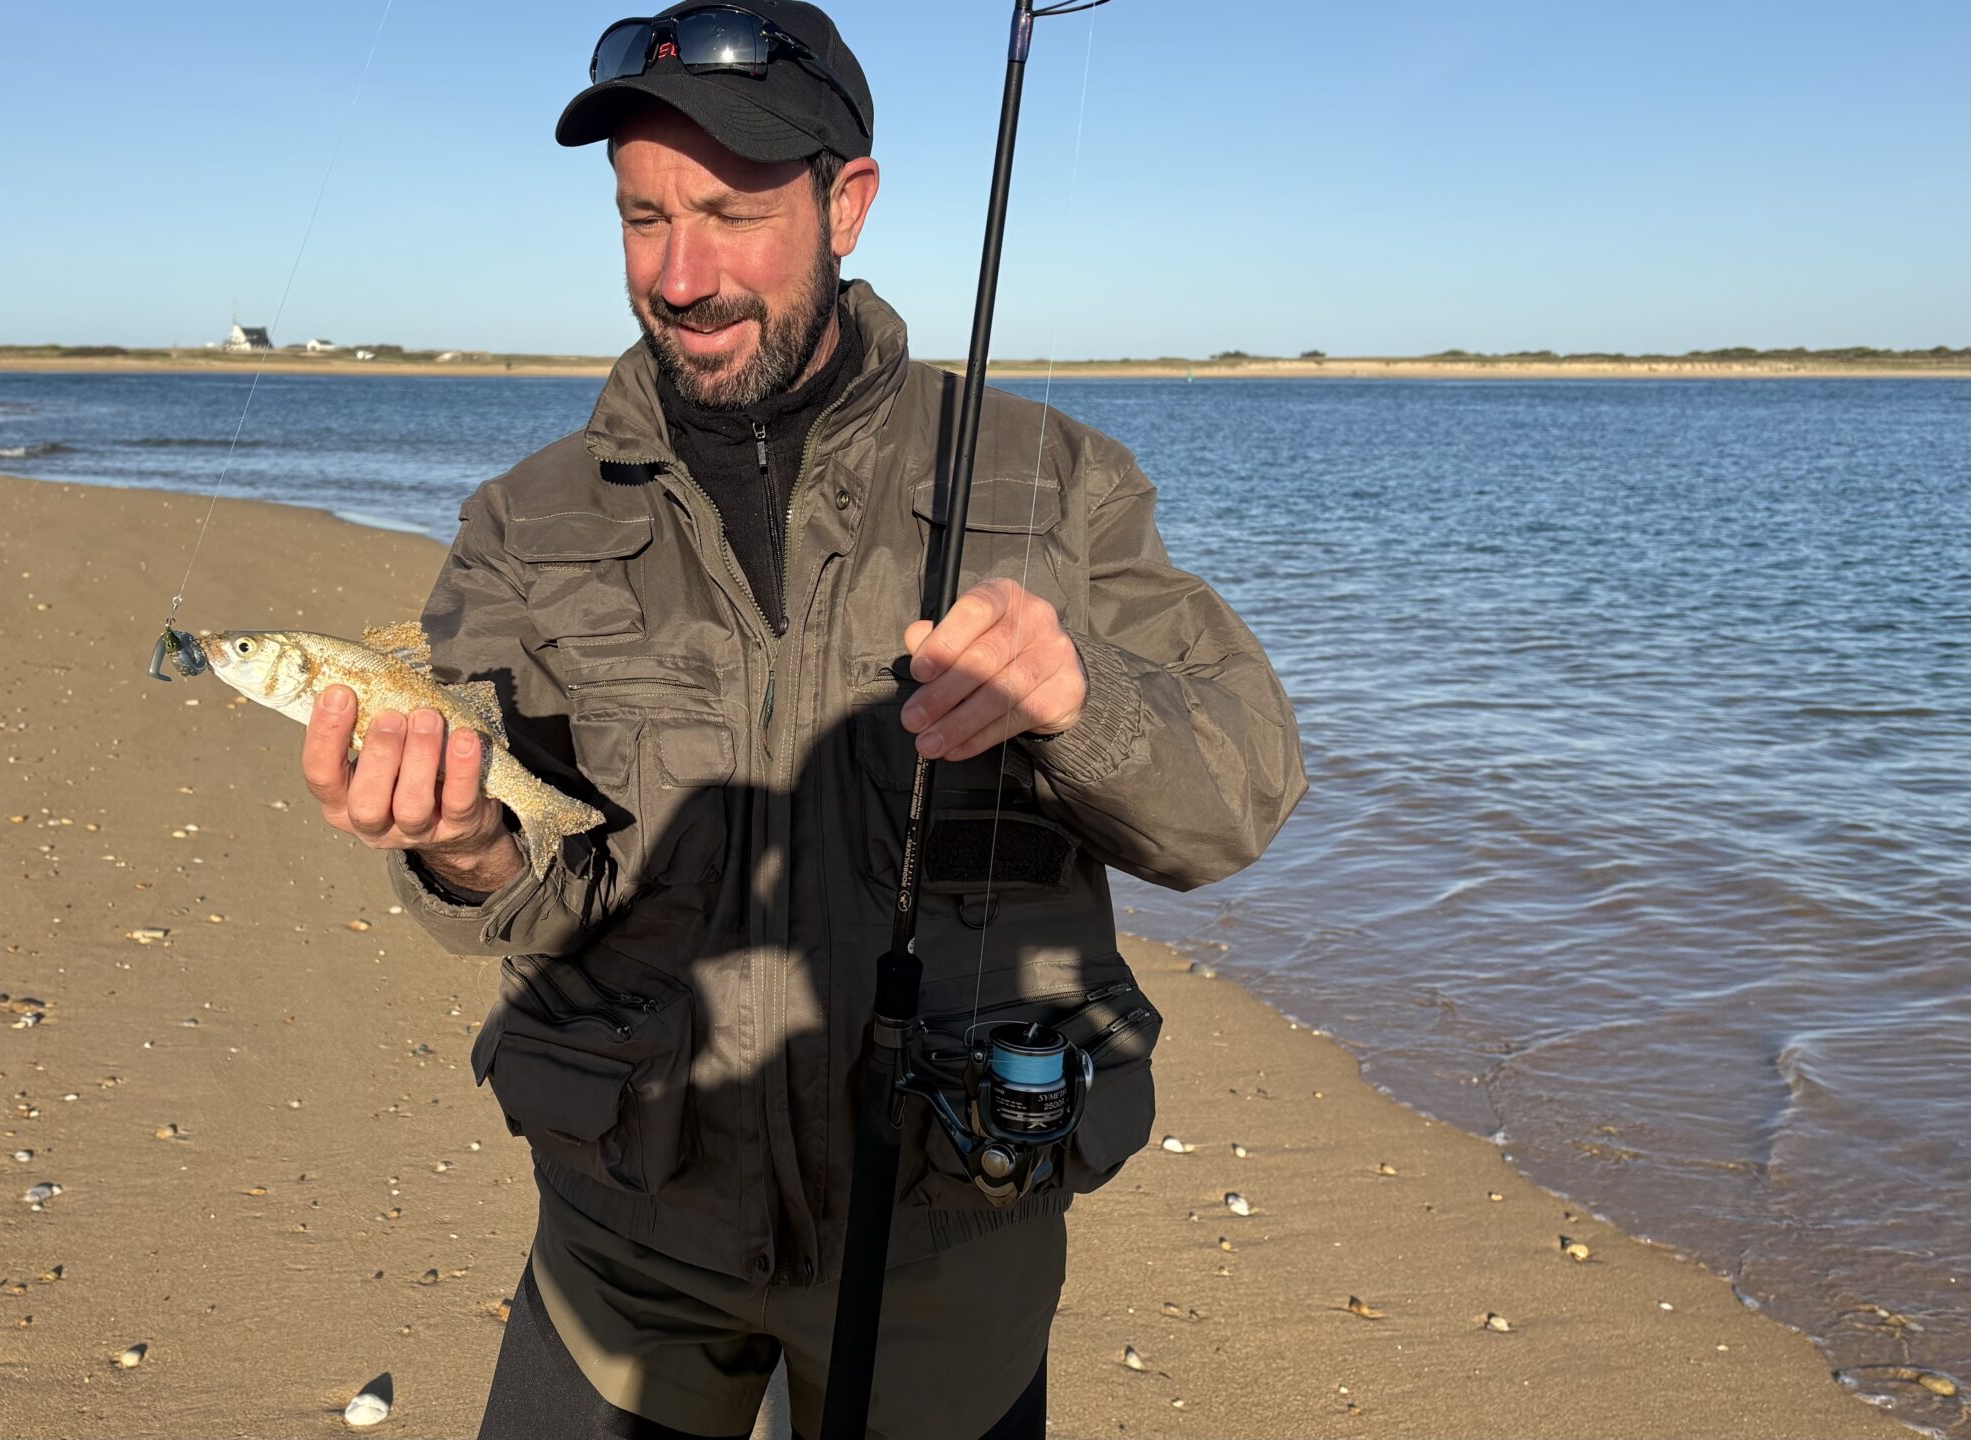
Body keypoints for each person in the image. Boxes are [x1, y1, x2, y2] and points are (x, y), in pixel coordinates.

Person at [300, 4, 1305, 1435]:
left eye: (730, 211)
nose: (681, 274)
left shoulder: (1055, 482)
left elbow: (1242, 795)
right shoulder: (521, 526)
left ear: (849, 202)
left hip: (949, 1241)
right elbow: (542, 890)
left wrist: (1080, 698)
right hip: (627, 1240)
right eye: (643, 217)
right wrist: (463, 846)